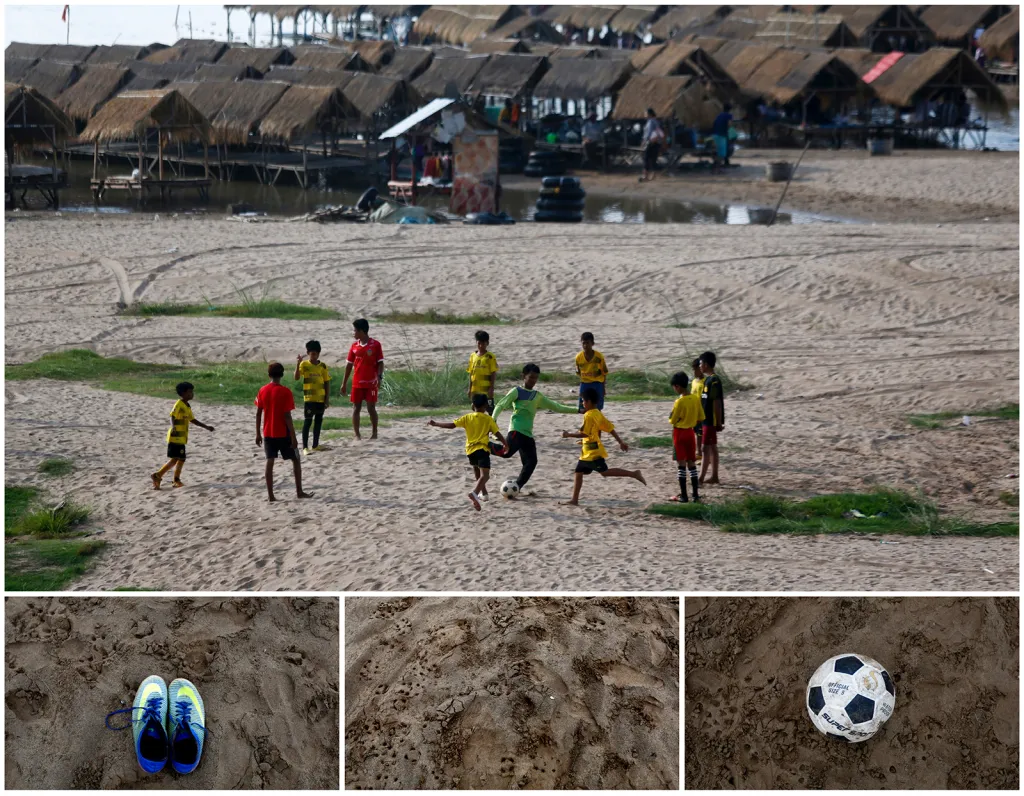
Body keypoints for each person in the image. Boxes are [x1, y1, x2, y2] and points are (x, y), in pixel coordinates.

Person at [490, 363, 577, 495]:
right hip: (516, 430)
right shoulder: (516, 391)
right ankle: (483, 444)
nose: (533, 381)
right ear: (523, 376)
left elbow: (557, 407)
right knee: (506, 453)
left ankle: (517, 487)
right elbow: (501, 405)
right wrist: (493, 419)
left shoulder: (537, 396)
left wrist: (578, 410)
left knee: (531, 462)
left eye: (536, 378)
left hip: (528, 434)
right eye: (531, 377)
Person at [561, 387, 646, 506]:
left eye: (583, 401)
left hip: (592, 453)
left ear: (589, 401)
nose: (582, 403)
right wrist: (620, 441)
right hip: (587, 451)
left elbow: (585, 433)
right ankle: (574, 500)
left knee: (604, 472)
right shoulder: (597, 413)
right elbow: (610, 428)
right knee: (578, 472)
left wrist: (569, 435)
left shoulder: (589, 415)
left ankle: (634, 474)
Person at [429, 394, 507, 511]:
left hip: (470, 451)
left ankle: (484, 494)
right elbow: (496, 433)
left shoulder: (467, 417)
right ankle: (475, 493)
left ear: (472, 405)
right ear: (486, 405)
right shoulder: (488, 419)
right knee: (485, 475)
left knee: (477, 471)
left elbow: (451, 425)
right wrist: (505, 443)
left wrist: (436, 424)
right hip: (482, 449)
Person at [255, 362, 312, 502]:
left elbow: (258, 412)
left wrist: (257, 433)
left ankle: (271, 496)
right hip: (283, 432)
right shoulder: (285, 391)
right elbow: (287, 416)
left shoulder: (263, 390)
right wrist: (293, 436)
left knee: (270, 461)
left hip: (268, 431)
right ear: (282, 374)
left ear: (269, 375)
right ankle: (299, 491)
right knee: (296, 459)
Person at [151, 382, 214, 490]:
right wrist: (173, 427)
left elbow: (192, 420)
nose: (192, 394)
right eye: (190, 392)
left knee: (180, 458)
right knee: (177, 458)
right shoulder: (179, 404)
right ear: (183, 393)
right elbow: (172, 416)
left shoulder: (187, 406)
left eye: (192, 392)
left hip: (182, 437)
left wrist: (206, 427)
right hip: (175, 436)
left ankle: (164, 477)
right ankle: (167, 477)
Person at [341, 319, 384, 440]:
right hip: (357, 384)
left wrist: (379, 377)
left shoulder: (375, 345)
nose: (353, 333)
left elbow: (380, 363)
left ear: (362, 331)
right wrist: (343, 383)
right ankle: (357, 434)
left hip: (372, 384)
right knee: (356, 408)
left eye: (355, 330)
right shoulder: (354, 346)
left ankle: (374, 433)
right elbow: (349, 365)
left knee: (371, 408)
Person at [668, 371, 704, 502]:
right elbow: (701, 417)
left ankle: (684, 495)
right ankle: (695, 495)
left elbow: (672, 420)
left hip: (679, 433)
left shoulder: (679, 401)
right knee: (692, 463)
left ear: (677, 386)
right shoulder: (695, 398)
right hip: (690, 432)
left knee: (681, 464)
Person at [294, 339, 330, 455]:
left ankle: (315, 445)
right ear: (308, 353)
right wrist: (298, 363)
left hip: (320, 398)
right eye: (311, 354)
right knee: (307, 422)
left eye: (315, 354)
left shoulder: (323, 366)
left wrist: (327, 399)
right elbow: (296, 377)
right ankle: (305, 447)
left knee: (318, 422)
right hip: (309, 399)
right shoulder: (304, 364)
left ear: (319, 353)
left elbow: (326, 382)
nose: (313, 356)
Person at [698, 351, 725, 485]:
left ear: (706, 365)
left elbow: (716, 402)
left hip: (710, 420)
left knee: (705, 448)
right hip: (705, 419)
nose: (700, 366)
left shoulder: (714, 381)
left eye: (701, 363)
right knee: (712, 447)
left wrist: (718, 422)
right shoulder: (707, 380)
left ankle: (700, 478)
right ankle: (714, 476)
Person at [575, 332, 608, 412]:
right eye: (584, 343)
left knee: (597, 408)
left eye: (588, 343)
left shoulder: (599, 357)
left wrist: (603, 388)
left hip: (597, 384)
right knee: (583, 408)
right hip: (585, 384)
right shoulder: (578, 358)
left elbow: (604, 373)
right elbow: (578, 372)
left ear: (592, 343)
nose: (585, 345)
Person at [467, 330, 498, 411]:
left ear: (487, 343)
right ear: (476, 342)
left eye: (483, 343)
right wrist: (469, 388)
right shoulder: (472, 356)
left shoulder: (490, 357)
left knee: (490, 409)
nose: (481, 346)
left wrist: (491, 388)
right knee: (476, 410)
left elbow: (493, 373)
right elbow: (471, 373)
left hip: (486, 390)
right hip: (475, 389)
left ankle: (493, 423)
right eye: (479, 343)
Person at [640, 108, 665, 182]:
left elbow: (651, 132)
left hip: (651, 142)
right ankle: (653, 175)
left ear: (649, 114)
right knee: (653, 159)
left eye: (645, 114)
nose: (644, 115)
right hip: (655, 142)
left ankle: (645, 176)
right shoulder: (654, 121)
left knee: (646, 158)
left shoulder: (652, 121)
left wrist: (645, 141)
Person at [690, 357, 705, 460]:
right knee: (695, 432)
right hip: (693, 411)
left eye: (696, 369)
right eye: (693, 369)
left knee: (700, 433)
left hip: (701, 412)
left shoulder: (705, 382)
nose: (694, 372)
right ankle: (697, 450)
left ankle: (699, 452)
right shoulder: (694, 382)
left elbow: (704, 398)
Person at [712, 103, 733, 173]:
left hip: (715, 135)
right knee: (721, 154)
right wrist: (731, 133)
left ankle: (715, 168)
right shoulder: (729, 116)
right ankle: (718, 169)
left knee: (717, 152)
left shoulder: (719, 115)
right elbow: (729, 125)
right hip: (722, 135)